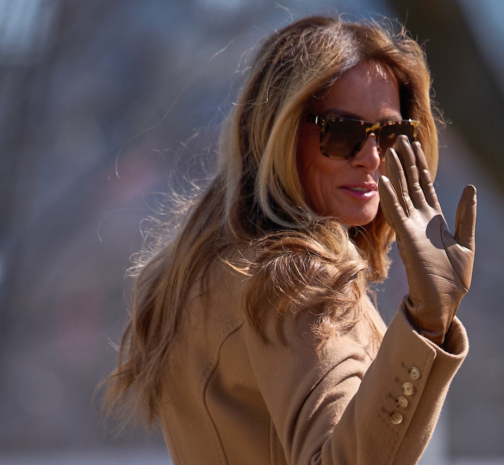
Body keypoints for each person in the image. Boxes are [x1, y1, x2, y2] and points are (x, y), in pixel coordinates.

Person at [103, 15, 477, 465]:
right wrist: (426, 323)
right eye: (342, 132)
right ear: (279, 134)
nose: (371, 157)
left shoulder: (216, 265)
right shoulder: (296, 281)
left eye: (391, 134)